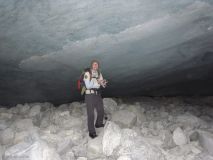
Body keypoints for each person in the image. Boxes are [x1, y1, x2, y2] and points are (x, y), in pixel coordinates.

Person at [83, 60, 108, 138]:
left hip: (97, 94)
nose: (95, 66)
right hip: (89, 95)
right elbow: (88, 85)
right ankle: (91, 132)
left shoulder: (99, 74)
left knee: (101, 110)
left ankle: (98, 123)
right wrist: (97, 81)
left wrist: (103, 83)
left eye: (97, 65)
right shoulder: (87, 74)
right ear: (91, 65)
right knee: (91, 114)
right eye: (94, 64)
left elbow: (103, 86)